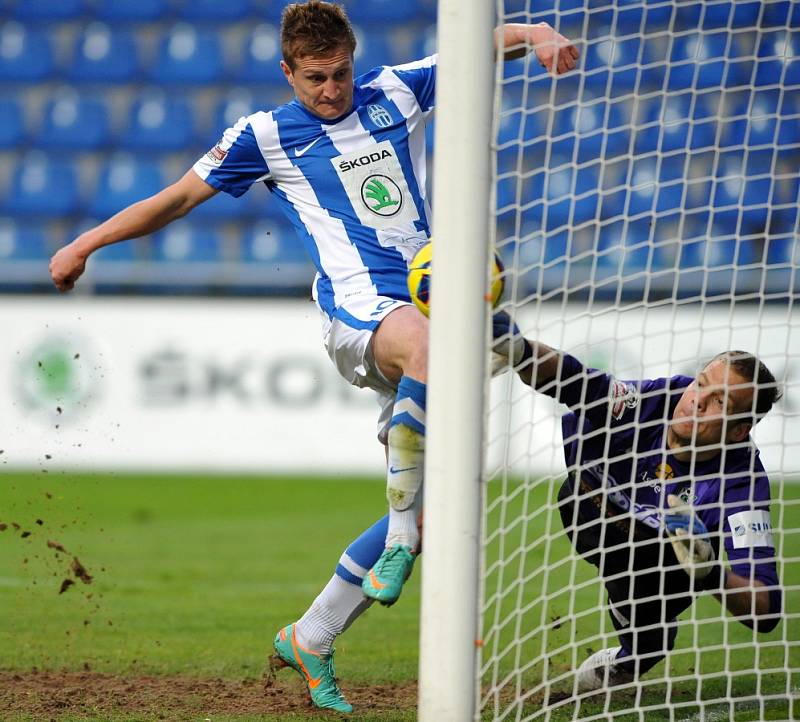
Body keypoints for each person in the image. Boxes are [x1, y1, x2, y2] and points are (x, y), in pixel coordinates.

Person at [49, 0, 580, 713]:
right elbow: (177, 199)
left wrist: (538, 35)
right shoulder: (265, 135)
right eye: (315, 79)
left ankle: (313, 633)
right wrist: (85, 245)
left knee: (446, 490)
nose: (331, 91)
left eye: (340, 74)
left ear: (354, 61)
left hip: (436, 298)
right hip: (359, 314)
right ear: (287, 73)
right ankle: (394, 537)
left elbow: (479, 45)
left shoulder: (392, 92)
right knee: (427, 359)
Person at [307, 332, 784, 703]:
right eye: (702, 383)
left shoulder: (742, 486)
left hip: (662, 571)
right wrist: (515, 346)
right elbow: (577, 380)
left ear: (741, 428)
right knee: (601, 511)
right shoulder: (657, 400)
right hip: (591, 507)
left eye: (719, 401)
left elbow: (766, 611)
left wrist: (713, 574)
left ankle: (632, 656)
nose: (696, 400)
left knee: (650, 628)